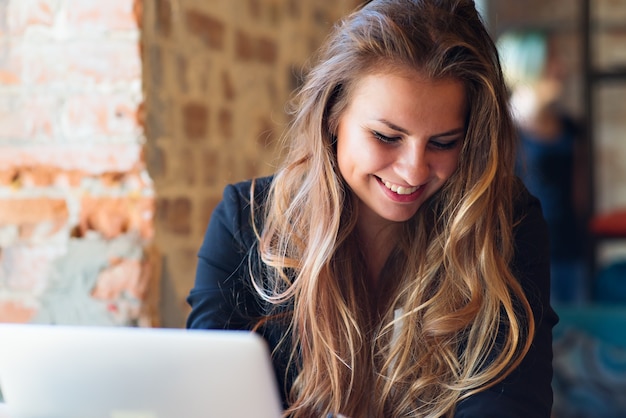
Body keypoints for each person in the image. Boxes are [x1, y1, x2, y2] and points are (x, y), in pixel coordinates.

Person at [187, 1, 558, 417]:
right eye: (386, 136)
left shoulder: (505, 224)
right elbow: (207, 399)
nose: (414, 170)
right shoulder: (246, 222)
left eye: (443, 142)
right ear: (332, 116)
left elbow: (511, 405)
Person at [497, 29, 589, 304]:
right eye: (551, 58)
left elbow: (580, 197)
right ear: (526, 64)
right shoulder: (501, 132)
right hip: (517, 258)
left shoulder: (571, 129)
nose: (561, 67)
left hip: (569, 253)